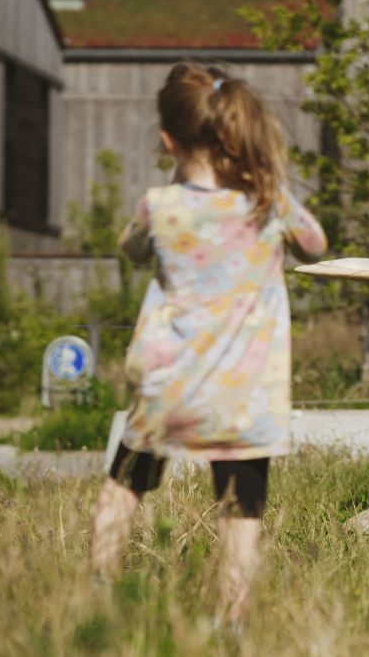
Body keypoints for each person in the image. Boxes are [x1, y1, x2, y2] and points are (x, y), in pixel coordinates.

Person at [89, 63, 327, 625]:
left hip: (169, 384)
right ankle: (233, 622)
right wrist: (269, 184)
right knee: (242, 510)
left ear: (168, 140)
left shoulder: (159, 205)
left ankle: (98, 590)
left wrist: (174, 190)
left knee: (126, 484)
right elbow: (315, 246)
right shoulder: (268, 201)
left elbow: (132, 249)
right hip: (244, 393)